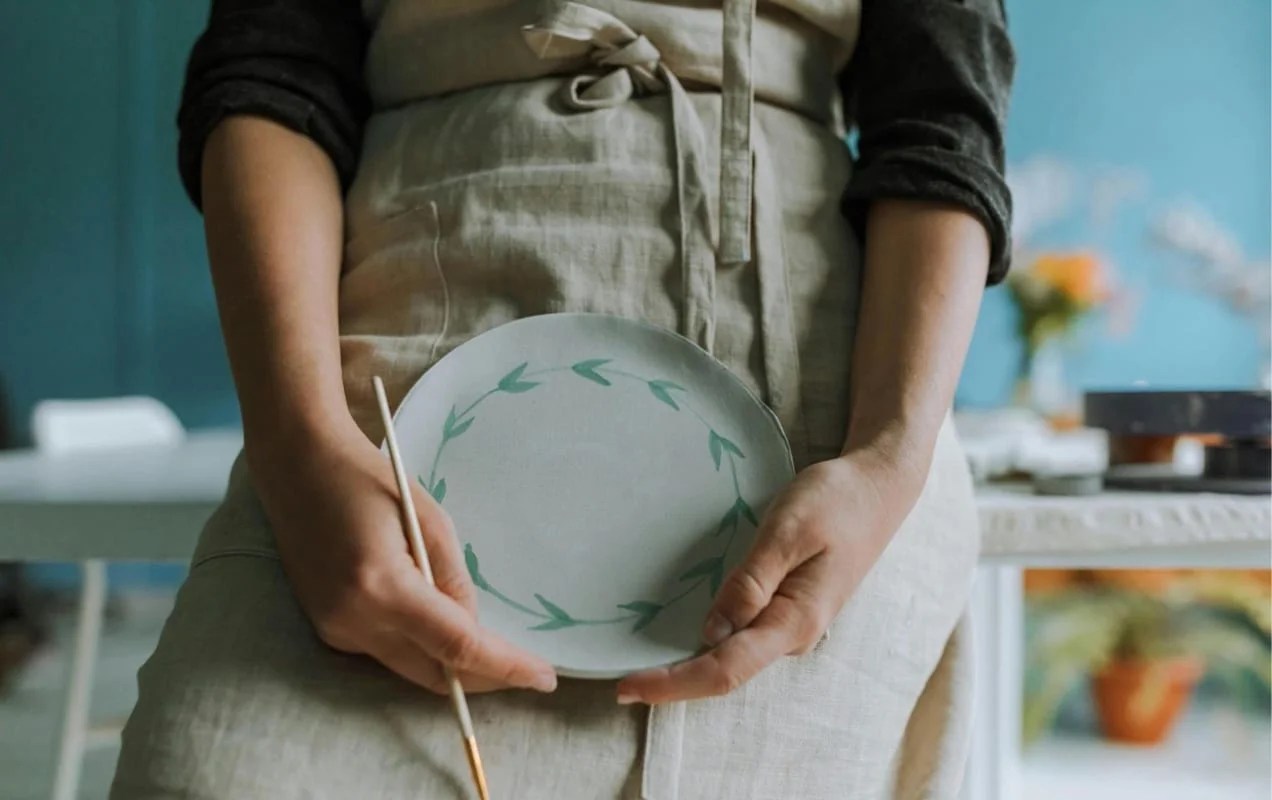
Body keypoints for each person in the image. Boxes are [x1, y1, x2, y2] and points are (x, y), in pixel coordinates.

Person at [112, 0, 1014, 797]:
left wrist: (888, 459)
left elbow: (940, 118)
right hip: (391, 338)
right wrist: (299, 441)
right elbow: (272, 69)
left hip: (841, 389)